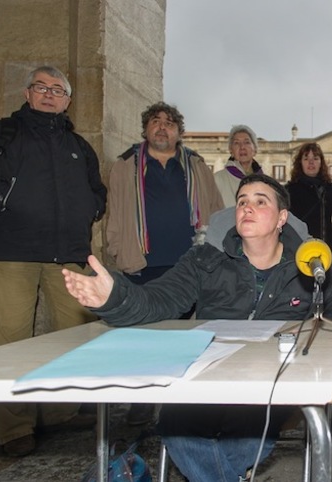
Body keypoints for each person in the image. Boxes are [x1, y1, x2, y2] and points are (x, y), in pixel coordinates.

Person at [63, 173, 332, 482]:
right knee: (174, 422)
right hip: (206, 375)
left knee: (256, 425)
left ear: (282, 218)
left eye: (259, 202)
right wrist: (112, 297)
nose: (247, 208)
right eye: (242, 202)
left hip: (269, 383)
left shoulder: (310, 266)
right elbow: (157, 300)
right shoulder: (203, 260)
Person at [0, 65, 106, 456]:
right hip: (12, 252)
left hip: (67, 255)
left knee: (73, 338)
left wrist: (89, 208)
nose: (50, 94)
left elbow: (96, 190)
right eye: (42, 87)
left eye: (58, 90)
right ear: (27, 92)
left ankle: (61, 412)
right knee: (8, 341)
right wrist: (2, 201)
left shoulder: (79, 145)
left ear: (68, 100)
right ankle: (12, 427)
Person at [106, 101, 223, 425]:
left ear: (178, 132)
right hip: (142, 262)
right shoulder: (126, 164)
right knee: (143, 334)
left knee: (182, 334)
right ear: (145, 129)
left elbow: (215, 209)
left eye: (169, 123)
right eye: (155, 121)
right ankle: (142, 399)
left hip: (188, 264)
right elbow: (114, 210)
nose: (162, 127)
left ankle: (176, 400)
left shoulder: (196, 165)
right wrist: (116, 248)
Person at [285, 142, 332, 271]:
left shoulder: (330, 189)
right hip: (297, 255)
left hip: (325, 255)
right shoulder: (288, 191)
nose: (311, 162)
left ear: (321, 162)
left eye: (315, 158)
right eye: (306, 158)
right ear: (300, 163)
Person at [214, 124, 262, 207]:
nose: (242, 147)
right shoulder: (217, 179)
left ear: (255, 149)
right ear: (231, 151)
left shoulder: (266, 182)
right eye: (236, 143)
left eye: (247, 142)